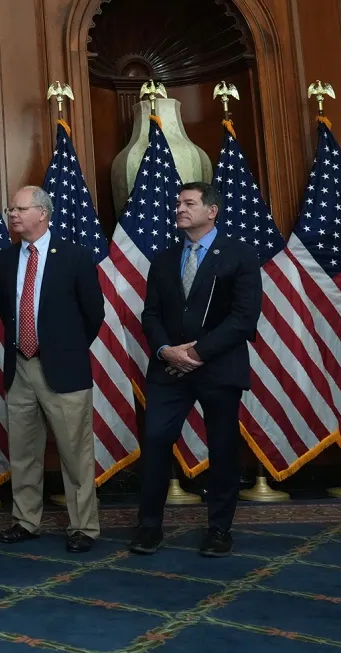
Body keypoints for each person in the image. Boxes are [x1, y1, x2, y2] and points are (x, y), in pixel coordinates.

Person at [132, 182, 262, 558]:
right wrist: (166, 350)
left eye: (189, 203)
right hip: (169, 369)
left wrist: (197, 353)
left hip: (218, 368)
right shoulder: (164, 259)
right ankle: (149, 526)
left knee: (222, 449)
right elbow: (151, 315)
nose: (179, 208)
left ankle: (219, 529)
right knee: (155, 441)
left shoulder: (240, 254)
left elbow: (244, 318)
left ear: (212, 211)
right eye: (178, 203)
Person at [0, 186, 104, 553]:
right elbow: (8, 312)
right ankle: (26, 520)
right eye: (11, 210)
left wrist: (65, 350)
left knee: (75, 453)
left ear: (42, 213)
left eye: (20, 209)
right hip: (20, 367)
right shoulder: (4, 260)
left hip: (63, 369)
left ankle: (83, 527)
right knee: (23, 451)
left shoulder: (75, 256)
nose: (13, 215)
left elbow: (94, 314)